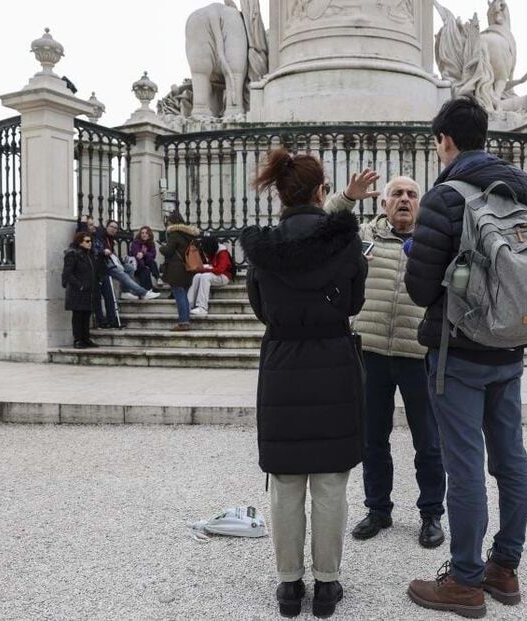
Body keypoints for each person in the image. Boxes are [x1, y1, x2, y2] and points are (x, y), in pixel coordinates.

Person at [404, 96, 527, 618]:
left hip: (457, 352)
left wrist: (419, 252)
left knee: (464, 468)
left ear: (446, 141)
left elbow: (419, 291)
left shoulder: (446, 196)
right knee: (511, 460)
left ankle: (464, 581)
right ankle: (504, 569)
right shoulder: (518, 192)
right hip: (510, 344)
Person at [239, 148, 367, 619]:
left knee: (286, 482)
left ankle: (289, 586)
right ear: (321, 191)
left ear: (279, 196)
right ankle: (328, 586)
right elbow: (353, 301)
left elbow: (258, 307)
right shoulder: (346, 242)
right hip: (333, 360)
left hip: (283, 364)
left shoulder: (264, 249)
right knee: (331, 483)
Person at [325, 174, 446, 549]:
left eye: (411, 194)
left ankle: (431, 514)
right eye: (397, 194)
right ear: (383, 204)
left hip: (417, 353)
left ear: (419, 205)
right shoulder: (362, 236)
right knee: (373, 439)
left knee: (428, 442)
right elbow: (324, 224)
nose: (405, 200)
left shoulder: (432, 242)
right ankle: (378, 509)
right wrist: (347, 197)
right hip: (371, 351)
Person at [159, 211, 200, 331]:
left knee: (179, 295)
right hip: (188, 268)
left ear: (172, 222)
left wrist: (162, 247)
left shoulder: (175, 234)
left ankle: (183, 322)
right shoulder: (190, 235)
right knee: (184, 295)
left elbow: (168, 251)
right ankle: (185, 320)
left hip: (177, 269)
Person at [61, 232, 100, 348]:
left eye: (90, 241)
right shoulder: (73, 254)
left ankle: (86, 338)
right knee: (78, 315)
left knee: (86, 314)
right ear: (80, 242)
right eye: (87, 241)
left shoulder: (89, 254)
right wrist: (79, 285)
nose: (90, 243)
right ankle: (78, 340)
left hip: (88, 290)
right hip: (77, 291)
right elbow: (68, 273)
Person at [187, 236, 234, 316]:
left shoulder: (223, 253)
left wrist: (204, 269)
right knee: (197, 276)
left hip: (224, 276)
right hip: (215, 274)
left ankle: (202, 307)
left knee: (205, 277)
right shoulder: (212, 252)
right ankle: (189, 303)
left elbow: (220, 270)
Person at [129, 226, 161, 291]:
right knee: (145, 271)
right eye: (142, 233)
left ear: (149, 235)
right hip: (136, 265)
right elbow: (137, 256)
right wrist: (144, 266)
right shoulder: (136, 243)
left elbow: (153, 255)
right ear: (140, 234)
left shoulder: (151, 243)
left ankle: (157, 278)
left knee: (152, 262)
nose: (144, 235)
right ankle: (148, 289)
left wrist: (144, 254)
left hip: (145, 262)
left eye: (146, 233)